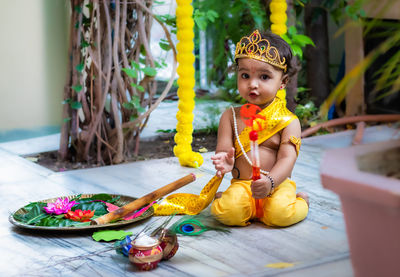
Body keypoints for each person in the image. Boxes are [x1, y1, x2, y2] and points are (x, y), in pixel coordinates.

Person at [210, 29, 309, 227]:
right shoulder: (230, 117)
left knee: (280, 215)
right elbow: (223, 150)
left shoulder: (288, 121)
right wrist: (225, 161)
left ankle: (301, 201)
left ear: (283, 82)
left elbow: (287, 158)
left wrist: (270, 182)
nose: (252, 84)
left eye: (264, 77)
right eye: (245, 75)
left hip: (276, 184)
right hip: (243, 184)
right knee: (226, 213)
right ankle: (230, 199)